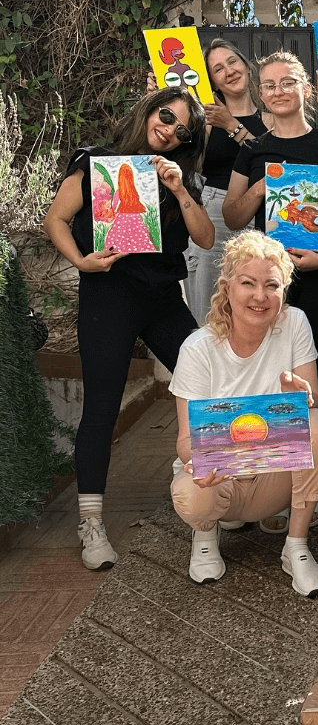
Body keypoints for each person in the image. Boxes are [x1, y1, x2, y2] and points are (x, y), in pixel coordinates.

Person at [43, 89, 213, 570]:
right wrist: (81, 261)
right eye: (167, 115)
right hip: (109, 296)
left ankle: (217, 490)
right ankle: (91, 522)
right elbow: (56, 218)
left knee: (208, 384)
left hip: (162, 300)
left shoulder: (179, 176)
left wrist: (179, 189)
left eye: (183, 130)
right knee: (101, 407)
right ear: (149, 110)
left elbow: (205, 238)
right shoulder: (96, 160)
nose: (170, 129)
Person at [169, 232, 318, 597]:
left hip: (274, 475)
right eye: (248, 283)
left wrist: (298, 398)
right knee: (190, 494)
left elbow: (313, 403)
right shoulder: (197, 348)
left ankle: (296, 545)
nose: (260, 296)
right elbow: (185, 441)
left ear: (283, 291)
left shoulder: (294, 323)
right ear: (227, 287)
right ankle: (205, 533)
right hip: (222, 478)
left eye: (271, 285)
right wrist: (203, 463)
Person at [223, 50, 318, 419]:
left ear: (305, 89)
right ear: (261, 94)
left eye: (287, 83)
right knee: (265, 353)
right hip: (265, 275)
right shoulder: (252, 149)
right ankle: (271, 431)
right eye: (269, 85)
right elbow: (233, 217)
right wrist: (260, 188)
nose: (278, 91)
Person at [183, 39, 270, 325]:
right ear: (213, 82)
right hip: (214, 211)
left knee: (259, 307)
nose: (229, 71)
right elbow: (186, 163)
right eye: (218, 69)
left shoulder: (271, 117)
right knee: (208, 312)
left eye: (232, 62)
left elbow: (271, 164)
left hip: (264, 211)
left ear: (247, 65)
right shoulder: (205, 120)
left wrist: (232, 125)